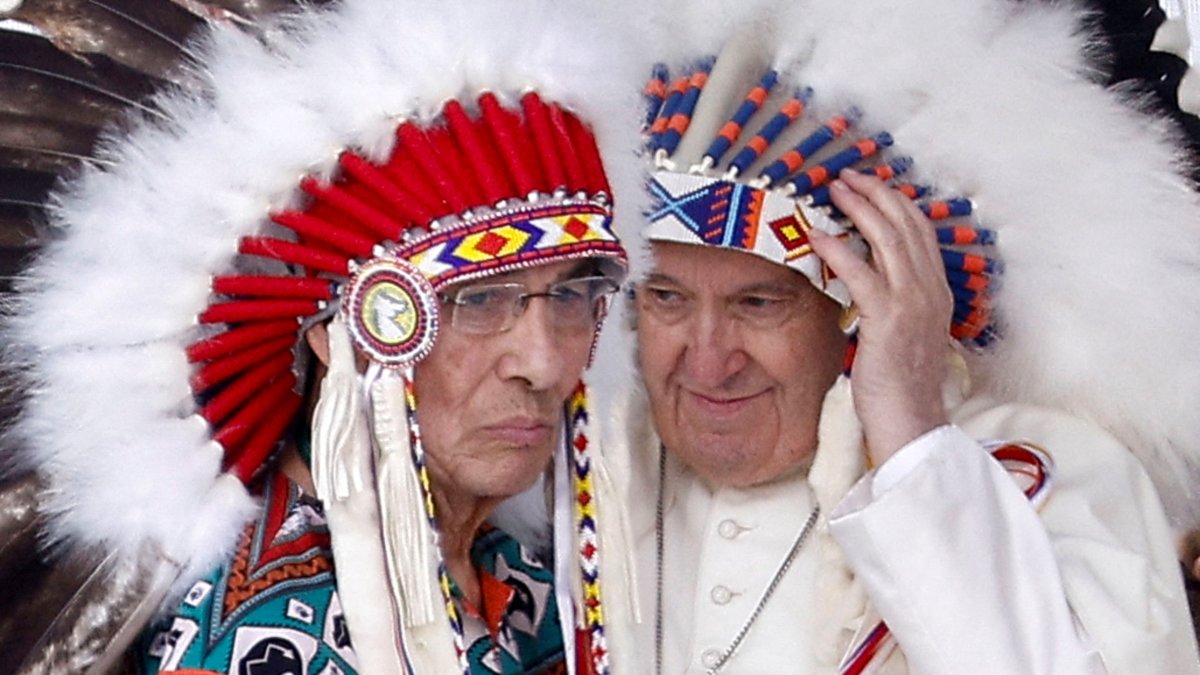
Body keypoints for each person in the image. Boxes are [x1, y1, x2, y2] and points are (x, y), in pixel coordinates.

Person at [0, 0, 646, 672]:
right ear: (339, 333)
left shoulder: (536, 588)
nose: (542, 364)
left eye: (572, 292)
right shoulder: (266, 638)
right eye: (477, 300)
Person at [591, 0, 1200, 672]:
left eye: (759, 302)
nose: (707, 359)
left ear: (864, 308)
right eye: (667, 298)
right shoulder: (588, 463)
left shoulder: (1062, 469)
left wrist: (913, 446)